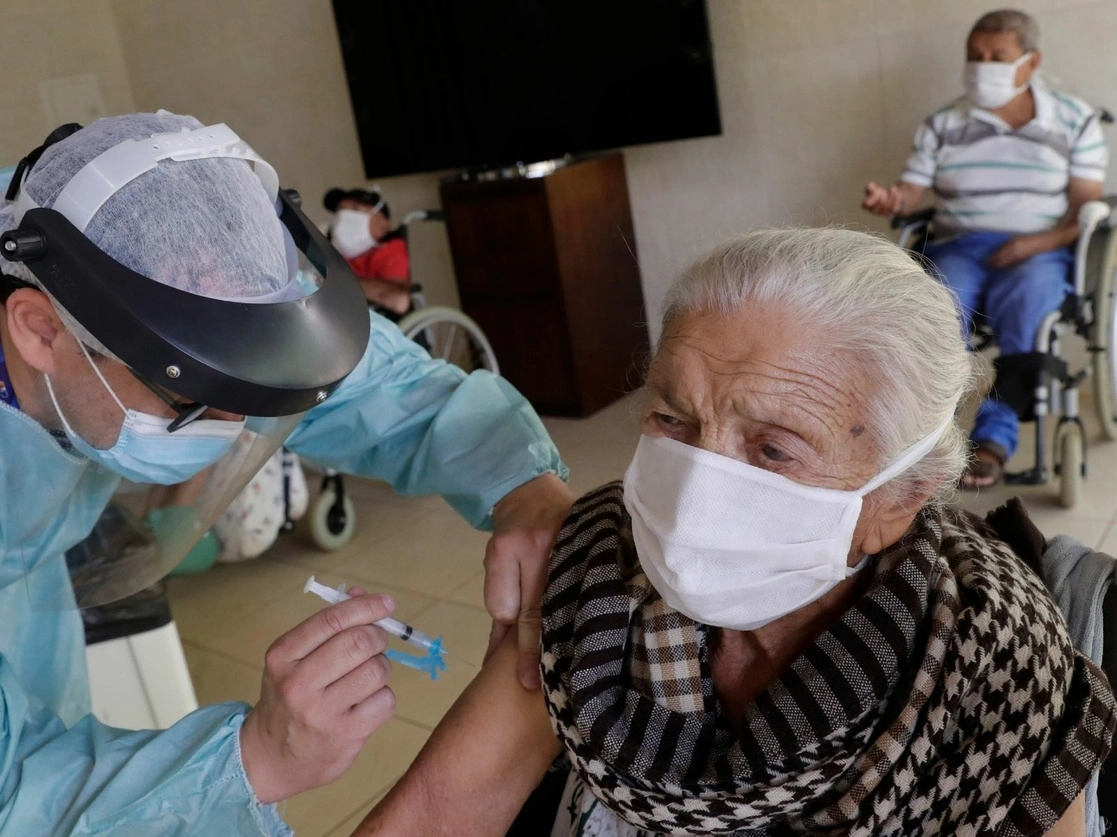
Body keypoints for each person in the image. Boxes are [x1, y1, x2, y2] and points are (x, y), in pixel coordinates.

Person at [356, 228, 1116, 837]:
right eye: (671, 418)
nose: (695, 490)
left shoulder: (996, 668)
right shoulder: (591, 572)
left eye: (774, 450)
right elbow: (438, 811)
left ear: (899, 499)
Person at [0, 111, 573, 834]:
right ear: (39, 329)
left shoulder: (131, 252)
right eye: (189, 396)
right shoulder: (78, 293)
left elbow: (388, 388)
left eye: (247, 388)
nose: (233, 424)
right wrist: (256, 757)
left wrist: (524, 485)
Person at [861, 8, 1108, 489]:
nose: (983, 66)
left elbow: (1084, 209)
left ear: (1031, 62)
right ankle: (932, 439)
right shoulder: (942, 124)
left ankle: (995, 438)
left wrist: (1033, 244)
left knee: (1029, 301)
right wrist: (892, 200)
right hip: (960, 244)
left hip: (1040, 249)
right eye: (975, 56)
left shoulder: (1074, 120)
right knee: (936, 306)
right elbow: (911, 192)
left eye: (998, 57)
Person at [324, 186, 412, 317]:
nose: (344, 218)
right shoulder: (336, 254)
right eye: (340, 211)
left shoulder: (389, 250)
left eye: (355, 209)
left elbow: (399, 301)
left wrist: (340, 281)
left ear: (384, 225)